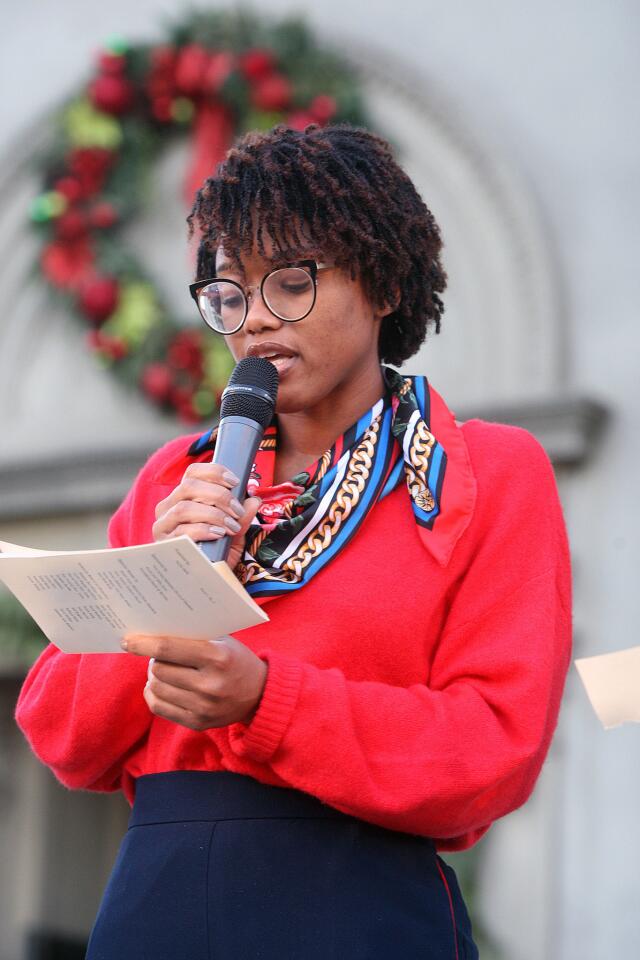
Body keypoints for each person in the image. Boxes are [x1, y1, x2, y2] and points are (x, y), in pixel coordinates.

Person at [16, 123, 572, 959]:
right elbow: (61, 733)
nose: (257, 322)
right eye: (231, 295)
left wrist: (268, 704)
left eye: (291, 283)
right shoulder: (182, 479)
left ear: (382, 282)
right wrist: (161, 580)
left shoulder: (488, 471)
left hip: (357, 906)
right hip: (159, 906)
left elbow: (494, 749)